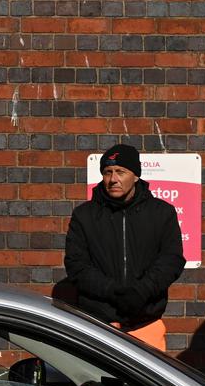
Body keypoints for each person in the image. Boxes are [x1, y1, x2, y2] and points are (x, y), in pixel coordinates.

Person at [63, 142, 186, 352]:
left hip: (146, 324)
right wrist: (114, 291)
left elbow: (171, 260)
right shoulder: (84, 216)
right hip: (98, 324)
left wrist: (141, 291)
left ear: (136, 175)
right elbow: (77, 266)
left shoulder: (161, 213)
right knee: (98, 384)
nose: (113, 179)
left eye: (121, 171)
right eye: (107, 172)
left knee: (148, 385)